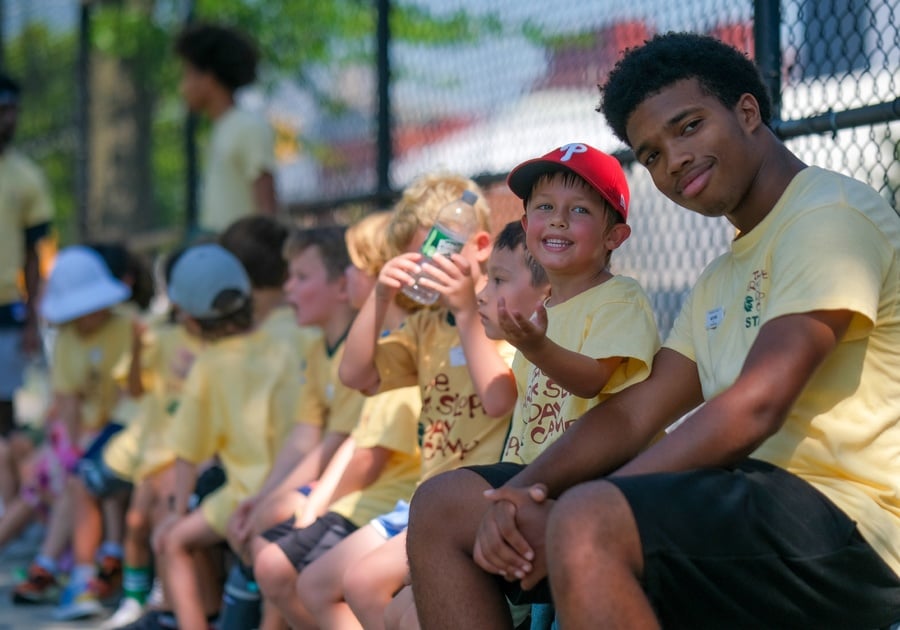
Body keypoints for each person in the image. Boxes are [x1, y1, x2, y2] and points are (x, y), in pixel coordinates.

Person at [409, 32, 900, 629]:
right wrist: (523, 494)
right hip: (739, 504)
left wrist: (574, 509)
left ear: (747, 112)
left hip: (850, 527)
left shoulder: (829, 215)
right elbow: (632, 414)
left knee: (590, 522)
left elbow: (758, 403)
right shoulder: (721, 275)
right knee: (445, 507)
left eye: (688, 126)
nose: (674, 160)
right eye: (652, 154)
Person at [329, 220, 552, 630]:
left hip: (476, 501)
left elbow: (498, 398)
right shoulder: (430, 326)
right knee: (360, 584)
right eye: (416, 258)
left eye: (438, 251)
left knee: (387, 598)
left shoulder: (504, 331)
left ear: (477, 247)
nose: (424, 269)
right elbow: (356, 374)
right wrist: (381, 295)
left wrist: (467, 309)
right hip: (431, 500)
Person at [253, 211, 422, 628]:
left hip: (390, 496)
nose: (347, 275)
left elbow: (366, 455)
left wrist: (314, 504)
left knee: (284, 566)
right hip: (376, 493)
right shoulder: (363, 347)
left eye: (356, 266)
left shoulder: (404, 345)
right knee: (274, 552)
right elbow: (344, 438)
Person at [150, 243, 303, 630]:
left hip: (246, 494)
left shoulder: (210, 366)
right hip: (300, 482)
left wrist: (175, 512)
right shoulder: (289, 334)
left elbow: (187, 452)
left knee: (173, 542)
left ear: (191, 319)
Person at [8, 246, 132, 605]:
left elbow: (130, 396)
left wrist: (90, 445)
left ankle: (60, 567)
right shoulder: (66, 341)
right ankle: (90, 563)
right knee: (63, 473)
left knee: (86, 477)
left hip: (123, 431)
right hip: (83, 437)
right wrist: (75, 446)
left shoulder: (127, 329)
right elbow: (68, 403)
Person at [0, 71, 54, 509]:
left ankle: (9, 507)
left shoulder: (26, 177)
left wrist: (33, 317)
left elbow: (35, 253)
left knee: (4, 411)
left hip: (6, 307)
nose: (7, 119)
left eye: (12, 110)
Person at [174, 22, 278, 234]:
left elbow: (267, 211)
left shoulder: (248, 127)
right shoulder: (220, 130)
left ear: (208, 78)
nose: (182, 87)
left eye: (188, 74)